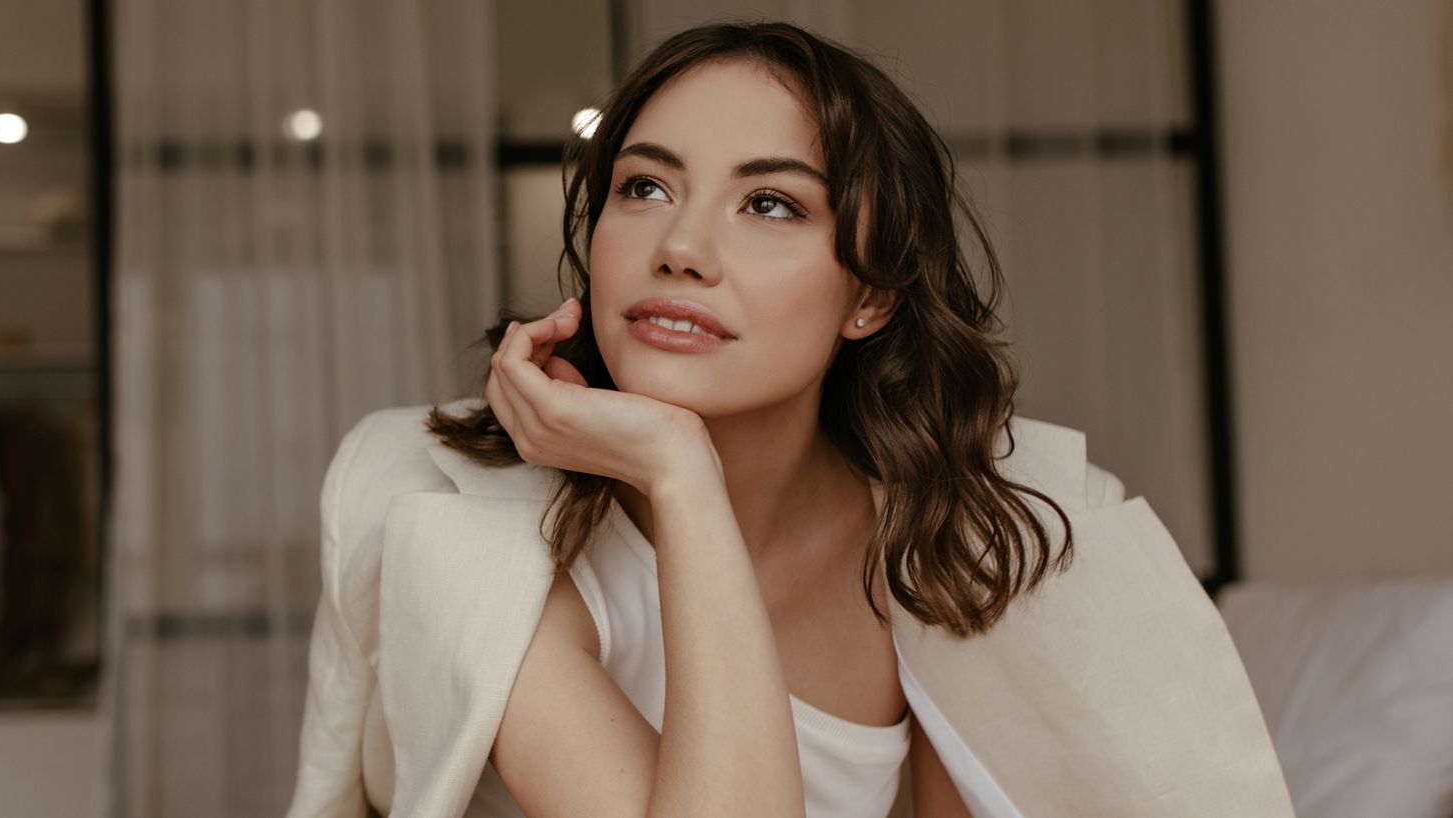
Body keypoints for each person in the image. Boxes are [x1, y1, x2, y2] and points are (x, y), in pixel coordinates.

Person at [286, 20, 1294, 818]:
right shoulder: (458, 516)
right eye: (644, 186)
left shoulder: (946, 535)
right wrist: (679, 471)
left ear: (871, 297)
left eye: (769, 205)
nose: (680, 244)